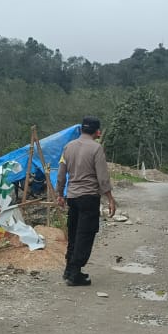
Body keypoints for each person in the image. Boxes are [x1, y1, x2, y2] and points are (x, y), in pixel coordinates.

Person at [55, 116, 116, 286]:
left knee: (74, 233)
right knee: (85, 234)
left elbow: (61, 174)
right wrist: (110, 198)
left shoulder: (68, 147)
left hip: (73, 197)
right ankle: (75, 273)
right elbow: (102, 177)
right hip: (89, 197)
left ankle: (68, 269)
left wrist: (60, 194)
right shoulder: (97, 149)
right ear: (97, 132)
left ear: (81, 129)